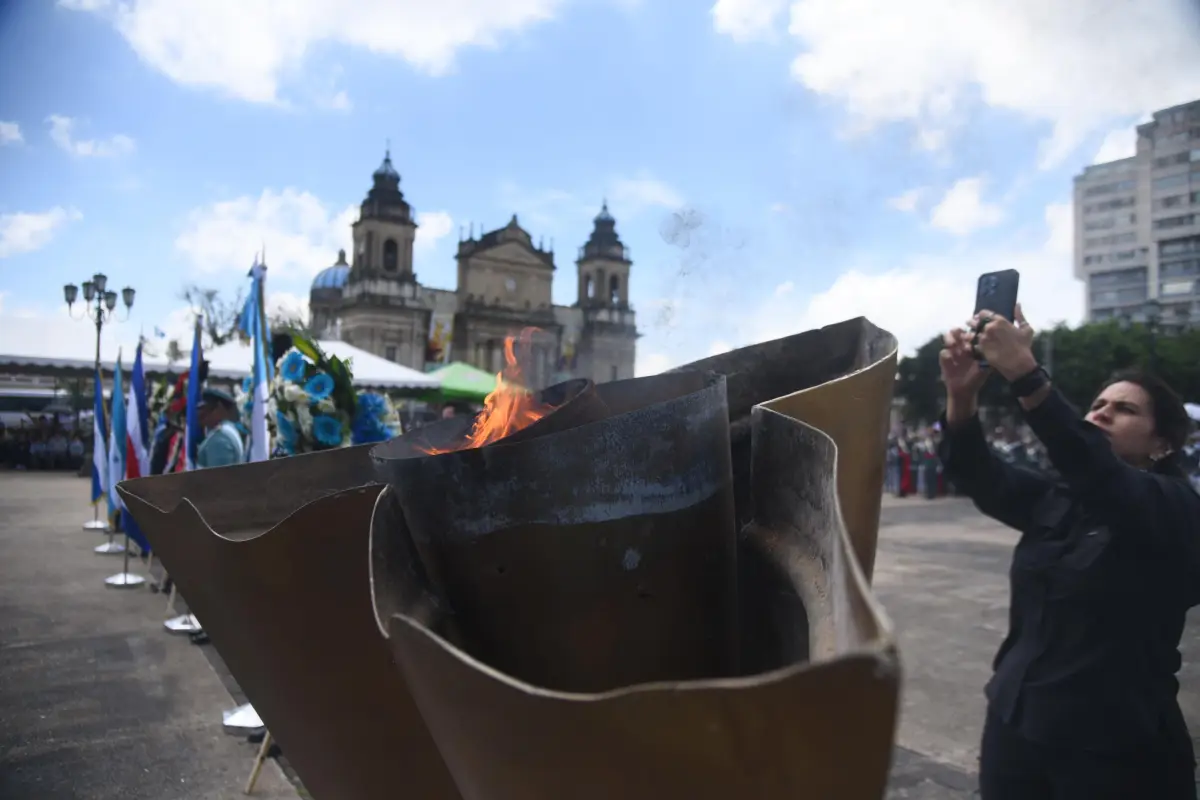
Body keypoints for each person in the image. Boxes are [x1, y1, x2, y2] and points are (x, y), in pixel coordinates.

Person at [938, 303, 1199, 799]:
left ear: (1162, 444)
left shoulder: (1175, 509)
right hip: (1015, 724)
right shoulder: (1062, 500)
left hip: (1111, 749)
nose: (1101, 412)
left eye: (1125, 409)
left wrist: (1025, 374)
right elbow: (978, 472)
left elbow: (1095, 468)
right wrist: (961, 397)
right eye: (1098, 404)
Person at [196, 388, 244, 468]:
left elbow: (218, 478)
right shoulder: (226, 431)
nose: (200, 414)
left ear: (219, 407)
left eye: (206, 410)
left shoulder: (221, 437)